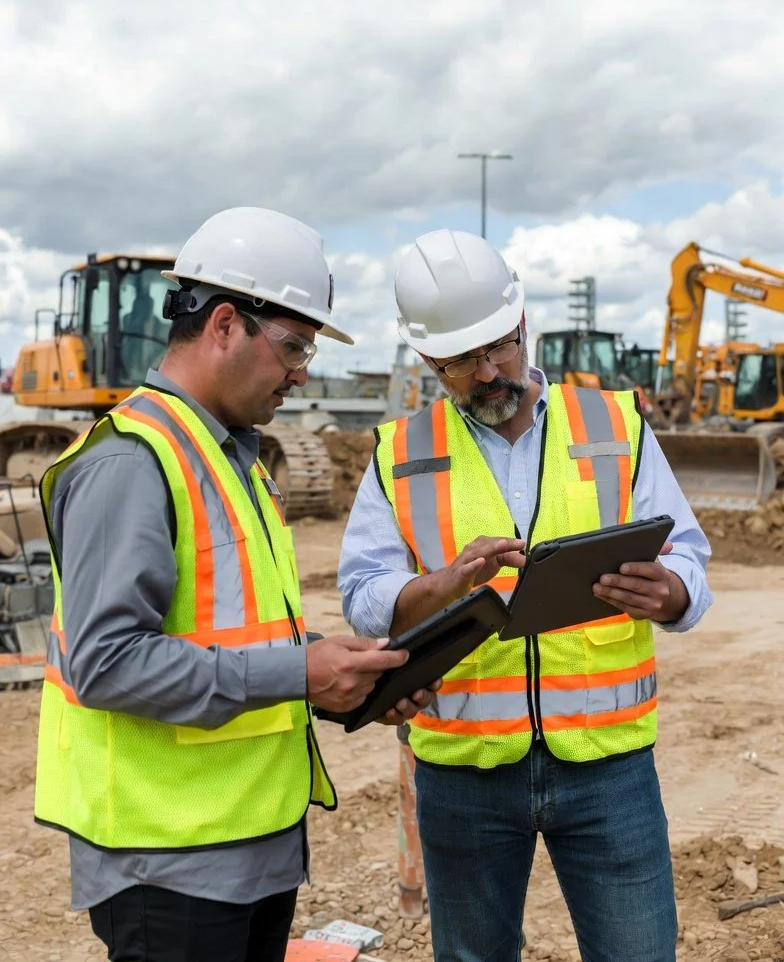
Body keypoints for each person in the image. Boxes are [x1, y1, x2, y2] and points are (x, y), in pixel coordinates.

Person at [34, 207, 437, 962]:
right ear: (224, 325)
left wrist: (336, 667)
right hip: (169, 861)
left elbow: (234, 630)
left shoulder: (231, 456)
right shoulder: (132, 461)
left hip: (243, 846)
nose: (303, 371)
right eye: (292, 345)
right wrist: (299, 670)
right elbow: (105, 661)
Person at [338, 229, 712, 962]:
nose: (488, 372)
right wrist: (437, 585)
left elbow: (688, 558)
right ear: (425, 359)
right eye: (460, 361)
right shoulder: (399, 453)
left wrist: (669, 593)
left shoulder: (616, 424)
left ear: (522, 323)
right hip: (464, 770)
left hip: (609, 765)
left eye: (500, 347)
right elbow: (361, 592)